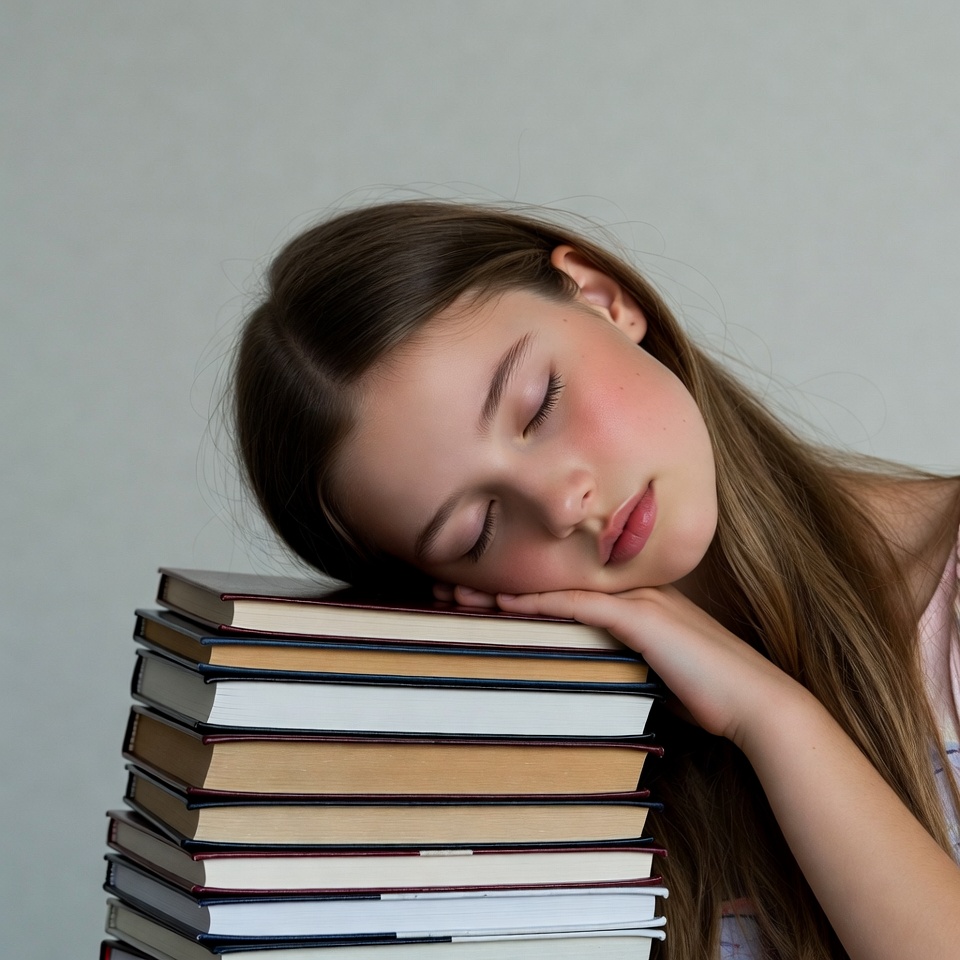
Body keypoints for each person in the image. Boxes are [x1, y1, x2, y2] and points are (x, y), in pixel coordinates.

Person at [231, 199, 960, 959]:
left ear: (605, 299)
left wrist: (775, 718)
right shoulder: (528, 796)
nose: (560, 503)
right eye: (477, 528)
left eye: (539, 404)